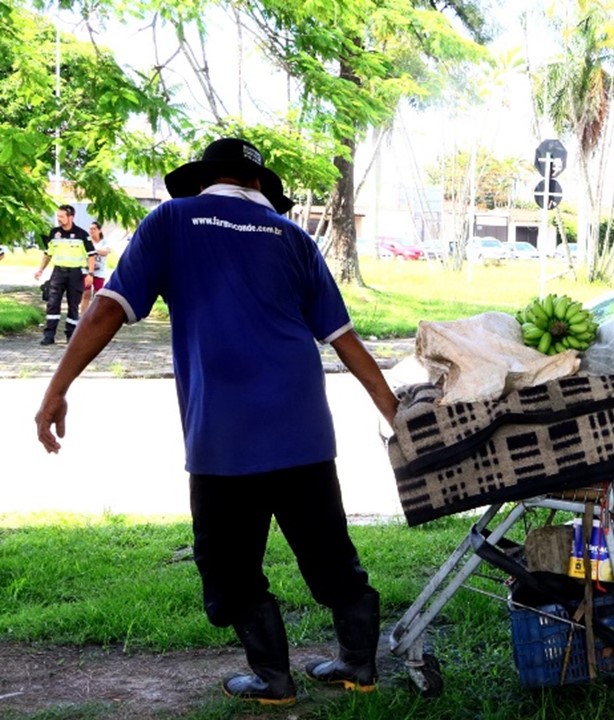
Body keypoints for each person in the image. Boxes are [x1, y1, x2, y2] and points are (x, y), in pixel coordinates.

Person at [34, 138, 402, 706]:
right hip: (304, 430)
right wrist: (395, 414)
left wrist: (56, 390)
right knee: (328, 552)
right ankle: (359, 665)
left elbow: (109, 307)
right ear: (259, 186)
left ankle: (273, 680)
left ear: (207, 178)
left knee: (229, 565)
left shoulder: (173, 220)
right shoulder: (294, 237)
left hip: (224, 438)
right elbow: (344, 340)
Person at [33, 205, 95, 345]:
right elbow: (48, 254)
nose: (59, 219)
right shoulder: (54, 233)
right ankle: (49, 335)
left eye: (62, 216)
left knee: (73, 305)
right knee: (52, 304)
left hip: (75, 274)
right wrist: (40, 270)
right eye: (58, 216)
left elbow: (91, 255)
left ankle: (71, 335)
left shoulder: (82, 234)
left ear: (71, 217)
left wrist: (90, 273)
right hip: (58, 273)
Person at [79, 222, 111, 315]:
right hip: (87, 270)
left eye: (94, 229)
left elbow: (106, 252)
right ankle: (83, 316)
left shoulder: (105, 241)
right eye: (90, 229)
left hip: (99, 271)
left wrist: (93, 250)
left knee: (97, 295)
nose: (91, 231)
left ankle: (94, 315)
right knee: (86, 293)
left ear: (99, 230)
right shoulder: (86, 241)